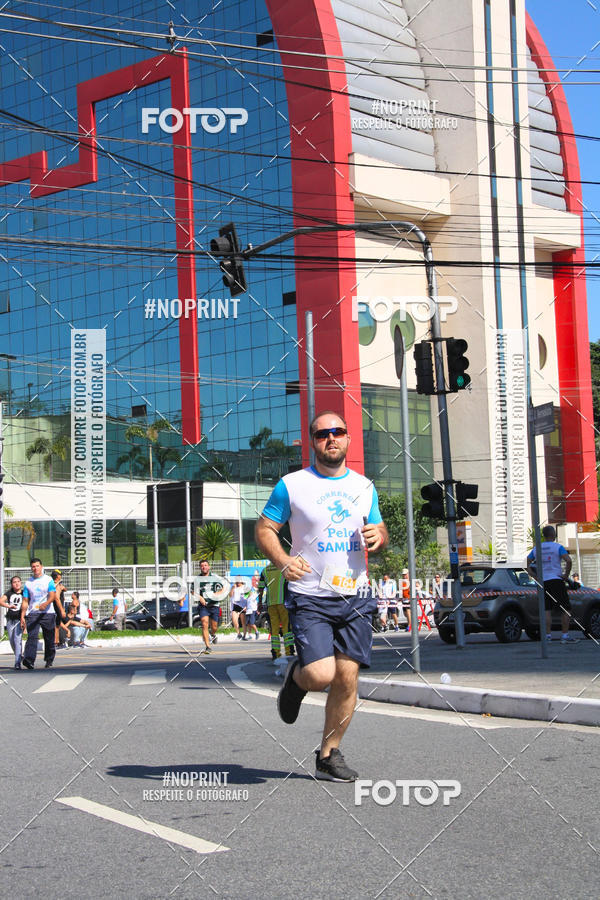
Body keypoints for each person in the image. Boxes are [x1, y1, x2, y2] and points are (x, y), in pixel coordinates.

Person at [256, 410, 388, 782]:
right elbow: (265, 528)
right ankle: (296, 681)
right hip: (310, 594)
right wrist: (282, 559)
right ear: (312, 442)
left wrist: (379, 536)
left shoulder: (364, 486)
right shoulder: (292, 485)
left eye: (338, 432)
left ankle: (329, 754)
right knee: (320, 674)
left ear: (348, 439)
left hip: (355, 595)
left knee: (347, 678)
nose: (331, 438)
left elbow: (378, 526)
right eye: (322, 434)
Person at [527, 525, 574, 643]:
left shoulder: (537, 548)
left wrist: (533, 575)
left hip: (543, 581)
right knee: (565, 608)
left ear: (544, 535)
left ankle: (548, 636)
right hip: (556, 580)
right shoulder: (558, 547)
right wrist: (565, 575)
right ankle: (565, 636)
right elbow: (568, 560)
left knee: (546, 609)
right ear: (553, 534)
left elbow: (527, 562)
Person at [22, 558, 58, 669]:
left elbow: (52, 595)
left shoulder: (48, 580)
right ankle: (29, 660)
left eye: (37, 566)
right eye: (33, 566)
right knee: (32, 637)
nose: (35, 568)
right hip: (33, 613)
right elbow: (25, 601)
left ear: (41, 567)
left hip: (48, 613)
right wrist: (22, 616)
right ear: (31, 568)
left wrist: (46, 603)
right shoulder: (28, 583)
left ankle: (49, 659)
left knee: (49, 637)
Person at [259, 563, 295, 663]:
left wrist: (259, 602)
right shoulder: (283, 568)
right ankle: (289, 652)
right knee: (286, 629)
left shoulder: (265, 570)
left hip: (271, 604)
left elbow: (261, 588)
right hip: (284, 603)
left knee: (274, 630)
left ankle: (275, 653)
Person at [0, 575, 26, 669]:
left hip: (19, 619)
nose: (17, 583)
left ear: (21, 582)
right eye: (14, 582)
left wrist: (24, 620)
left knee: (17, 639)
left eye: (18, 581)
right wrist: (9, 606)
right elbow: (1, 601)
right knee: (11, 640)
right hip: (10, 619)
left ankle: (17, 662)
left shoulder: (24, 593)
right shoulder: (9, 593)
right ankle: (19, 655)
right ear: (11, 584)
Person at [196, 559, 221, 653]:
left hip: (214, 605)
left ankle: (213, 634)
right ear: (200, 567)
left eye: (205, 565)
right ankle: (207, 647)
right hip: (204, 606)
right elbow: (193, 591)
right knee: (204, 623)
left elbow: (224, 588)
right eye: (202, 566)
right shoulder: (197, 579)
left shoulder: (215, 577)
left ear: (209, 567)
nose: (204, 567)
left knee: (214, 627)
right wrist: (200, 598)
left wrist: (217, 594)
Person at [51, 569, 68, 650]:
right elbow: (57, 598)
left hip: (56, 607)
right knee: (56, 626)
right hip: (57, 607)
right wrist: (61, 609)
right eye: (60, 574)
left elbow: (65, 589)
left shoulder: (56, 585)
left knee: (57, 624)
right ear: (57, 576)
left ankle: (57, 642)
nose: (61, 576)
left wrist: (63, 588)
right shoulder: (57, 586)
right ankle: (56, 642)